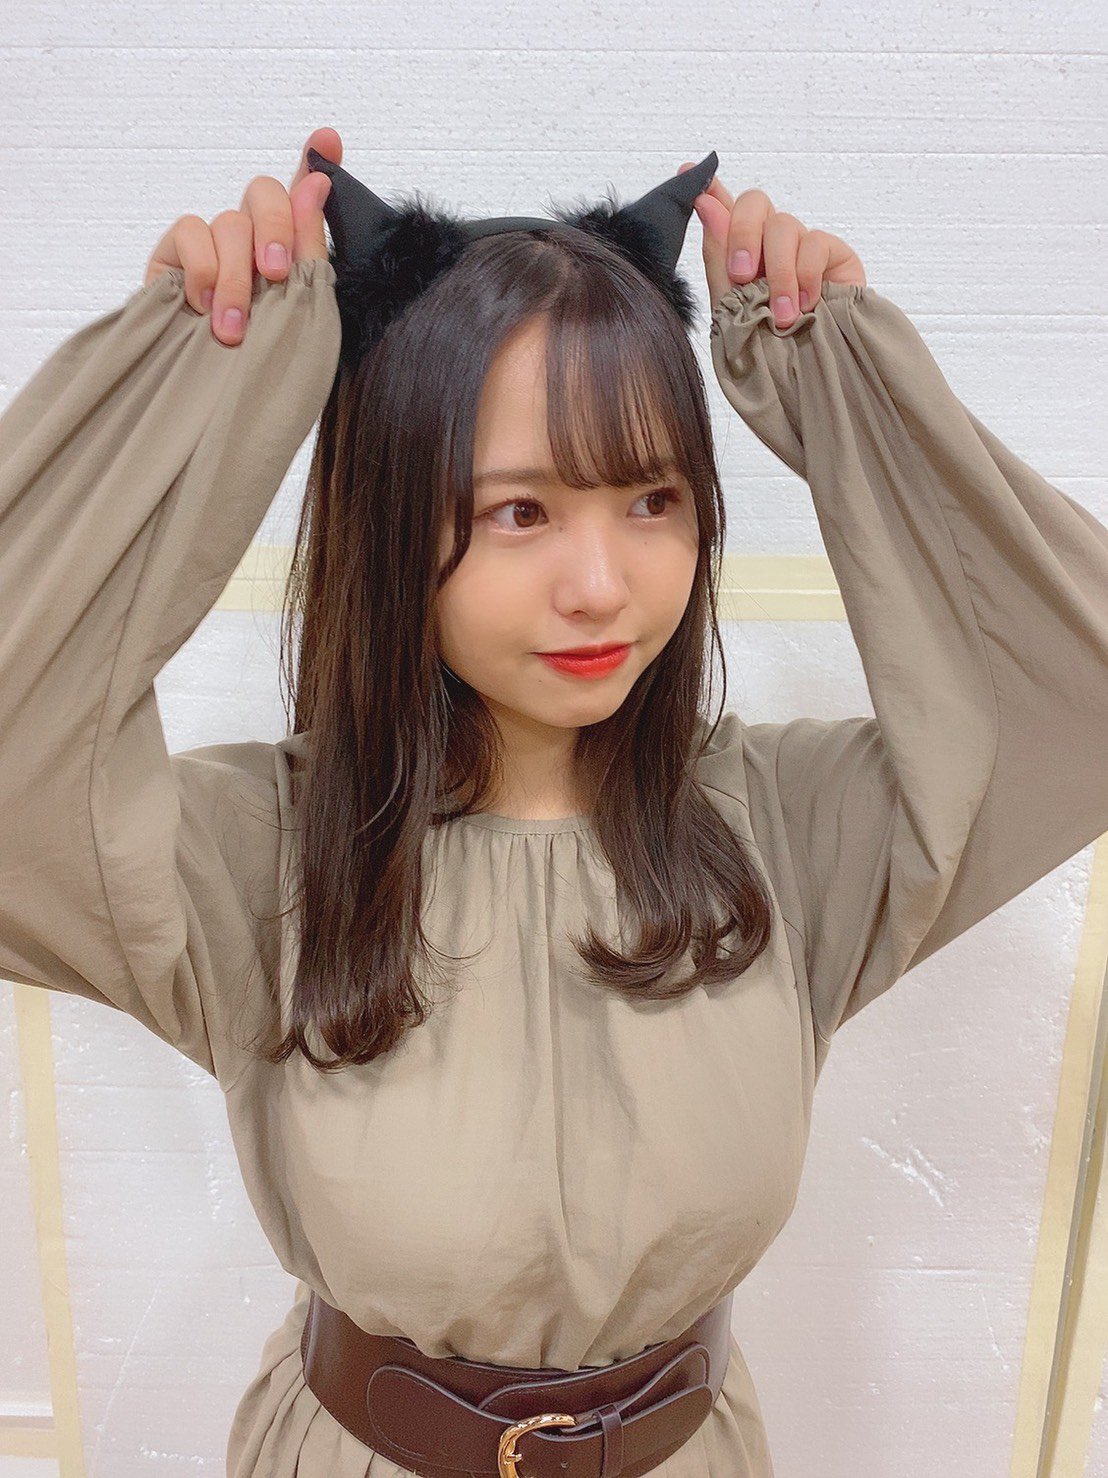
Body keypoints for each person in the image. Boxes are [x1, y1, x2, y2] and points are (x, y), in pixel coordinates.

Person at [1, 124, 1105, 1478]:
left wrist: (845, 382)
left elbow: (1078, 700)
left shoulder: (781, 832)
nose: (602, 586)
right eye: (520, 513)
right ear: (394, 517)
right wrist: (201, 373)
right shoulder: (265, 856)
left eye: (652, 499)